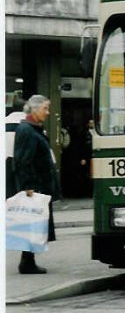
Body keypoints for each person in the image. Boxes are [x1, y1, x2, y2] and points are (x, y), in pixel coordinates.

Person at [13, 94, 61, 274]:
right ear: (34, 109)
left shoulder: (33, 129)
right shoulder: (27, 130)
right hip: (34, 187)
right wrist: (29, 187)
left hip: (38, 185)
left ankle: (28, 260)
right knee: (32, 223)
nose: (48, 113)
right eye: (45, 108)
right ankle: (27, 262)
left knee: (34, 224)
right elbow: (23, 161)